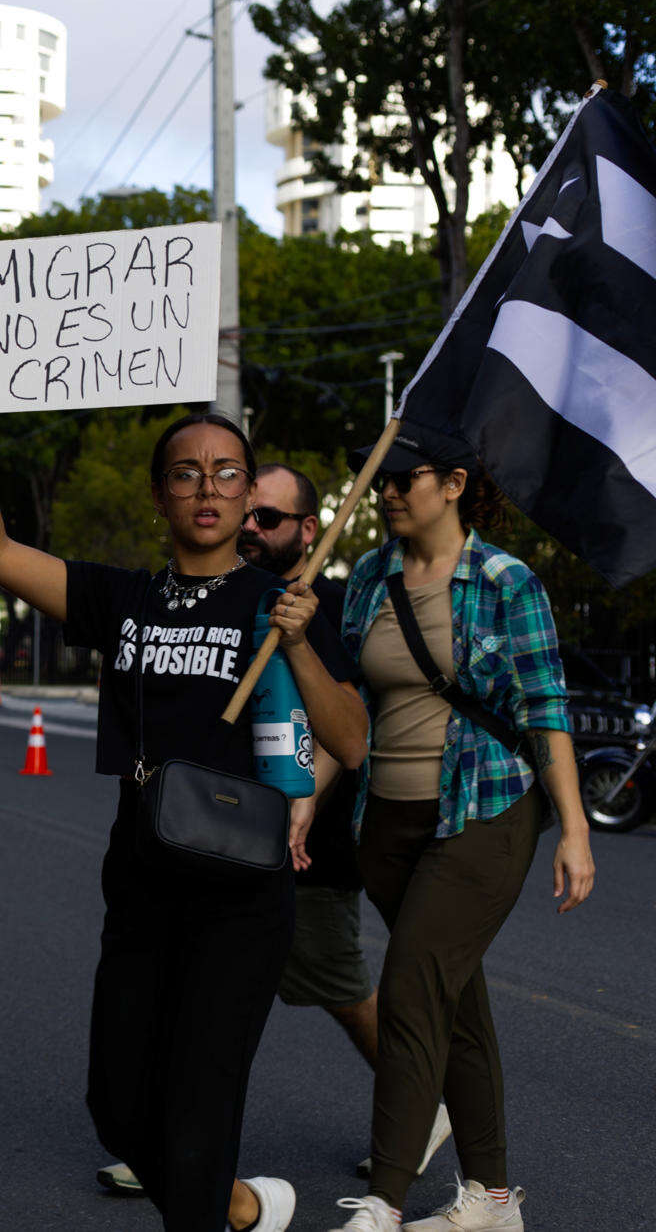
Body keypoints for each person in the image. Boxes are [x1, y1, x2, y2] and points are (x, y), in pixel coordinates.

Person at [0, 361, 368, 1232]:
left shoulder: (281, 600)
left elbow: (352, 739)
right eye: (187, 473)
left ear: (250, 494)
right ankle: (243, 1206)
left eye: (226, 473)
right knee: (116, 1102)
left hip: (242, 891)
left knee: (197, 1112)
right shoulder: (126, 597)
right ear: (161, 494)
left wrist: (295, 647)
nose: (207, 488)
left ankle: (210, 1201)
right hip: (141, 874)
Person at [323, 423, 595, 1232]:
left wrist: (575, 829)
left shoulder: (507, 582)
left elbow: (546, 711)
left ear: (454, 483)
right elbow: (353, 709)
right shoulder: (370, 575)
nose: (388, 491)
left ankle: (383, 1202)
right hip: (387, 820)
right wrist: (310, 801)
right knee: (455, 999)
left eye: (406, 477)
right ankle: (492, 1201)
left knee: (411, 984)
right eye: (380, 479)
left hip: (487, 809)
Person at [240, 465, 452, 1181]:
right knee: (206, 975)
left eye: (268, 518)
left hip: (313, 843)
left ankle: (427, 1104)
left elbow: (352, 723)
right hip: (233, 829)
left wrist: (304, 804)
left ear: (308, 529)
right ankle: (175, 1137)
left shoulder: (334, 604)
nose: (249, 526)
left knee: (335, 981)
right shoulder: (238, 597)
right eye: (247, 513)